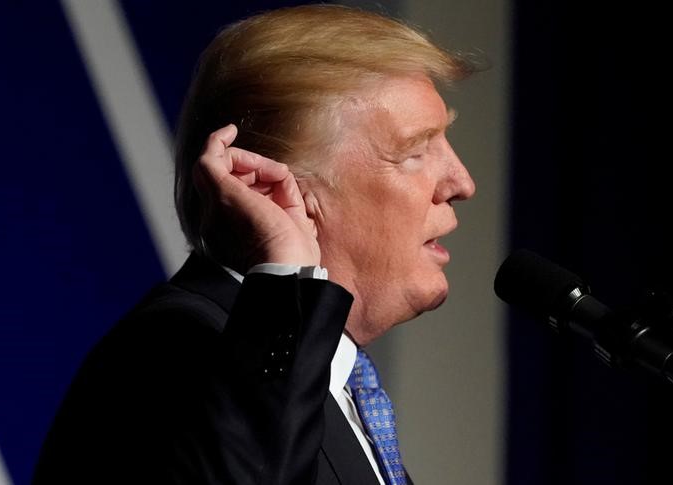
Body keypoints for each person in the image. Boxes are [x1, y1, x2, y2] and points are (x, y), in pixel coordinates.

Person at [32, 4, 476, 485]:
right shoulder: (177, 353)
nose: (461, 182)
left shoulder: (325, 373)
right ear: (269, 186)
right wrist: (285, 276)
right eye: (415, 151)